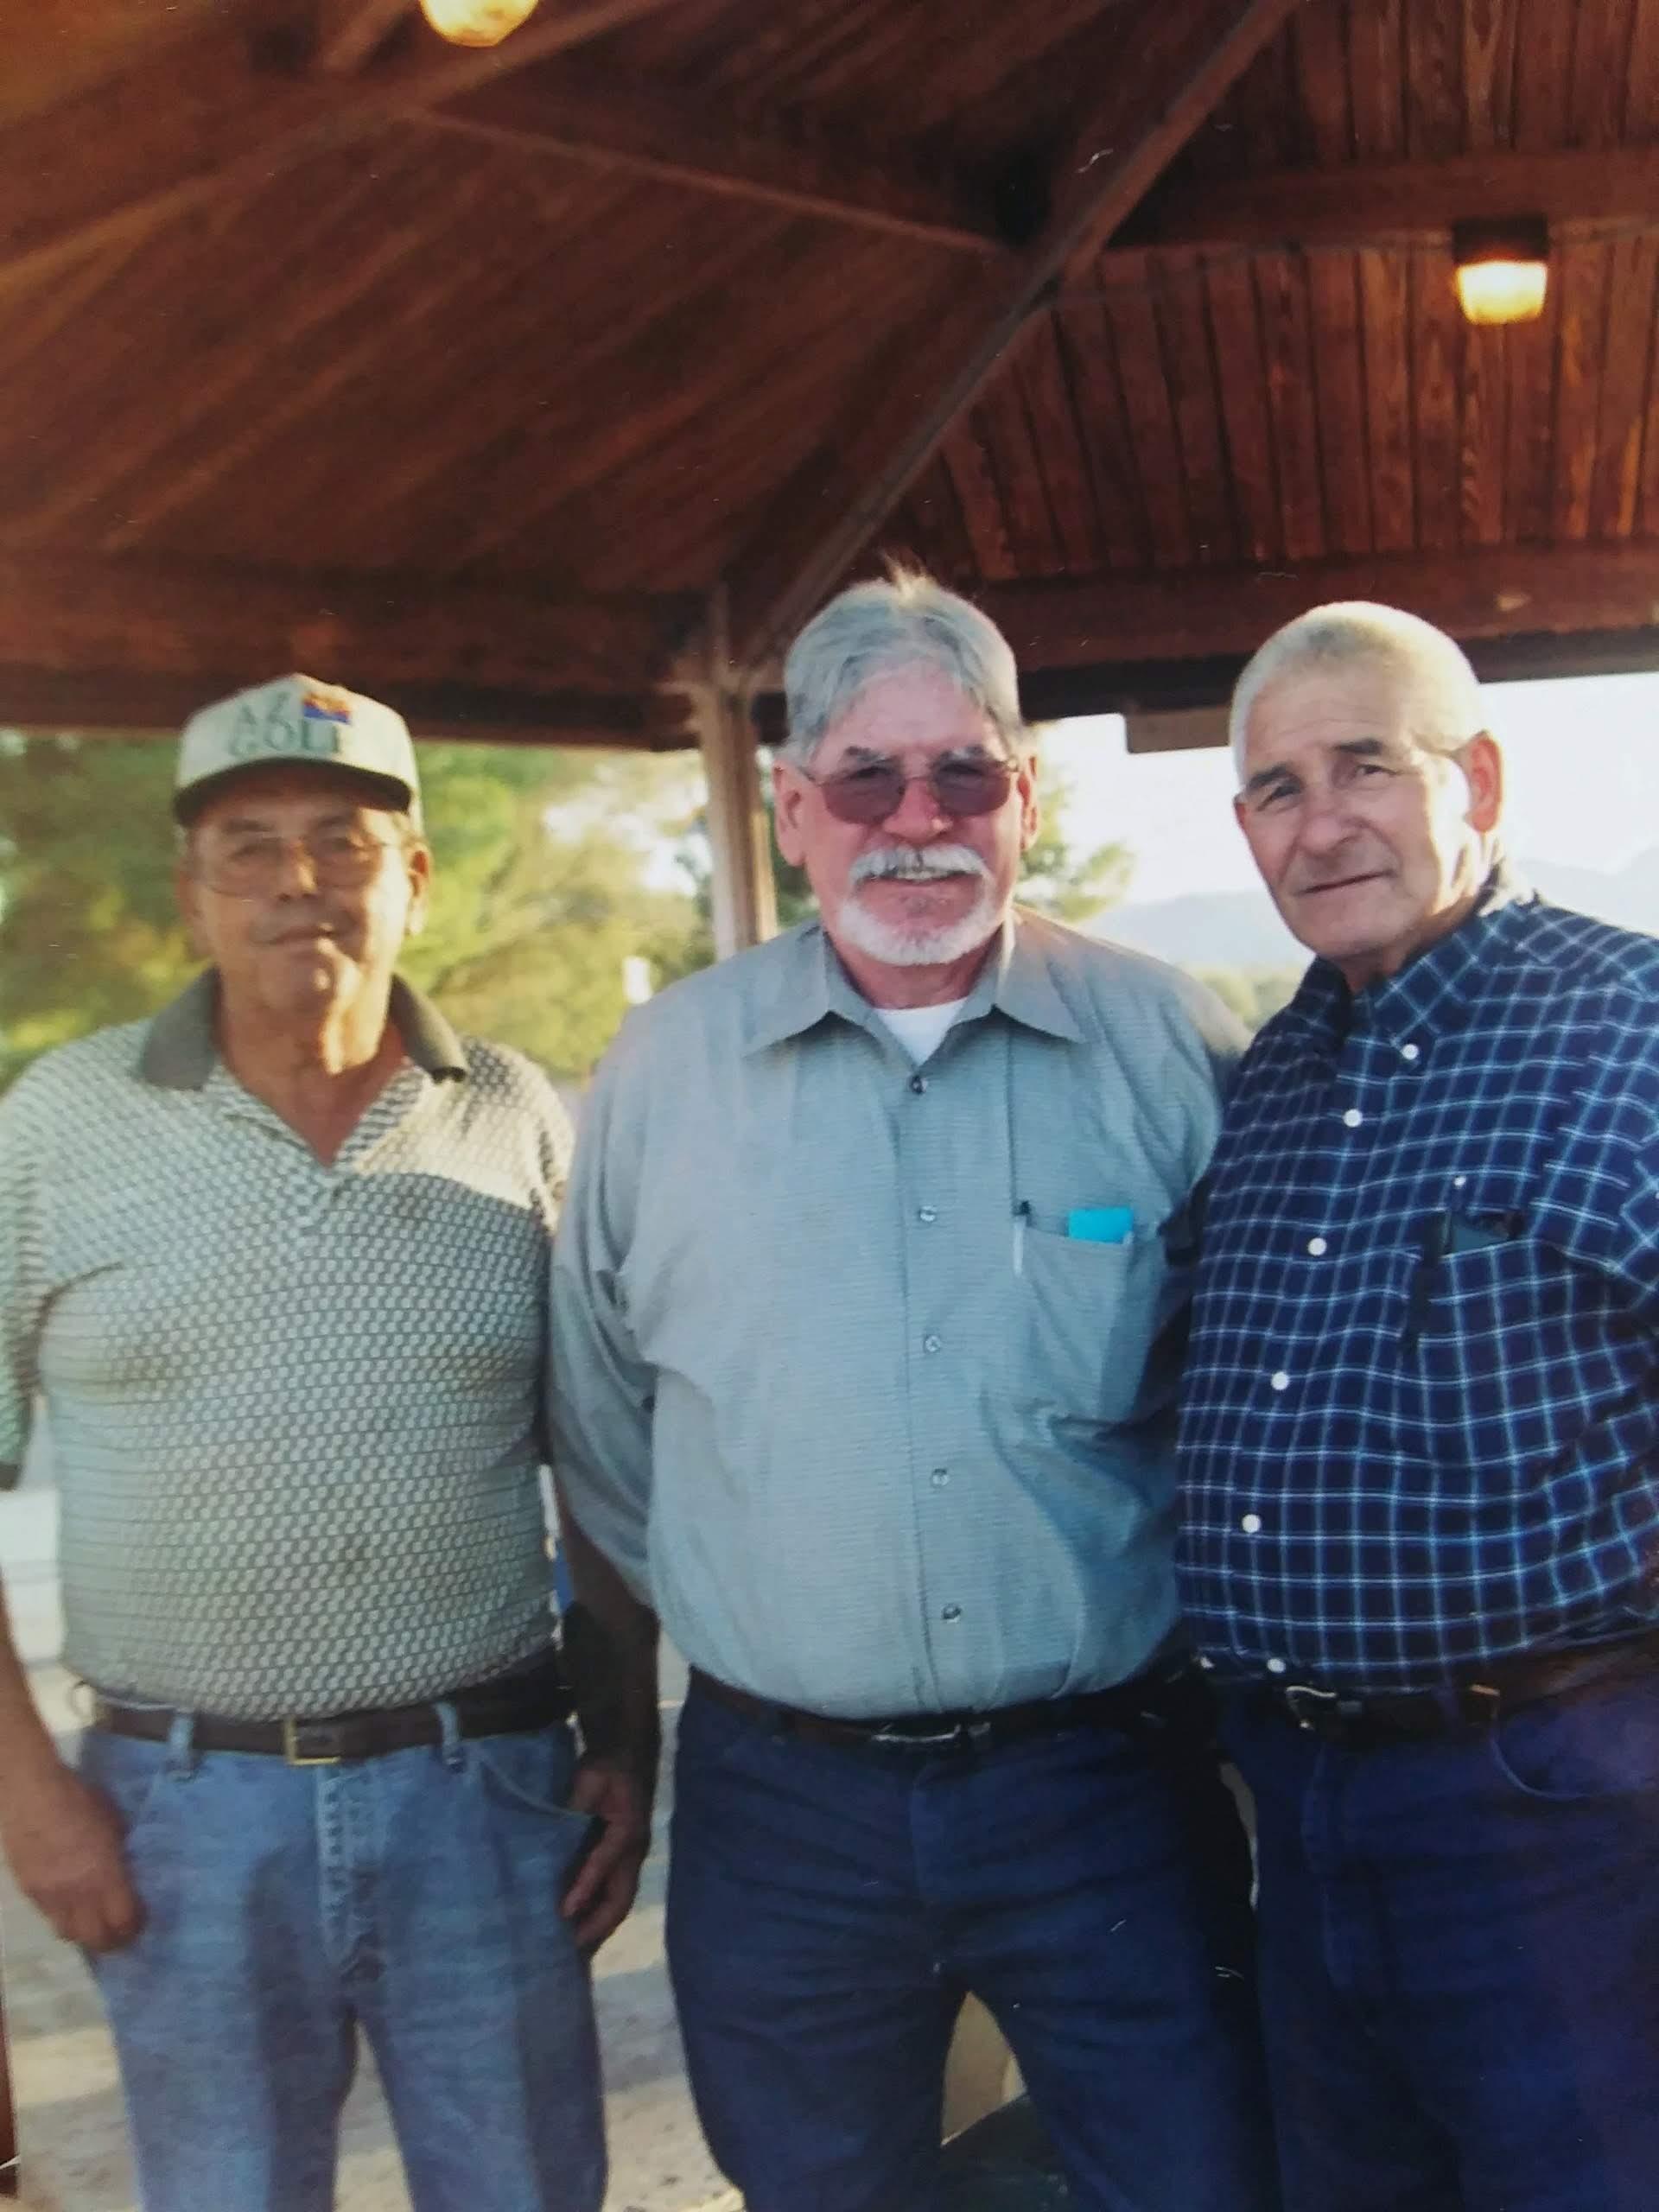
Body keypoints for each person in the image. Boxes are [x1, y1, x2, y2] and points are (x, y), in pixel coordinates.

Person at [550, 570, 1280, 2212]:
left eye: (963, 774)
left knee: (1199, 2182)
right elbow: (601, 1426)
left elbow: (1251, 1396)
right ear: (793, 808)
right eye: (867, 779)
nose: (918, 821)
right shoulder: (667, 1073)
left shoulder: (1170, 1047)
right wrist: (782, 1617)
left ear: (1026, 798)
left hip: (1104, 1788)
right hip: (785, 1805)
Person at [0, 676, 648, 2212]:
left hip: (487, 1799)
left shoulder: (517, 1117)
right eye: (250, 847)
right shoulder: (58, 1121)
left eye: (346, 842)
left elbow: (603, 1470)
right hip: (178, 1813)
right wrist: (29, 1799)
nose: (300, 881)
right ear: (192, 894)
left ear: (415, 878)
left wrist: (628, 1738)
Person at [1175, 601, 1659, 2212]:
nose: (1322, 825)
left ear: (1482, 781)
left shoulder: (1634, 1032)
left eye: (1365, 766)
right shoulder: (1270, 1078)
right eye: (1278, 788)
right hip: (1301, 1808)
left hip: (1557, 1814)